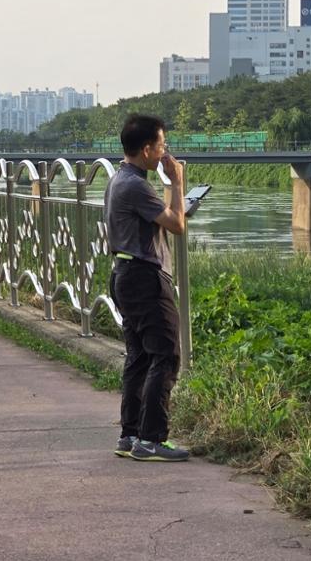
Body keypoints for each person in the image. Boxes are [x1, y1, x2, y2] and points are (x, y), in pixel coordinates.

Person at [104, 113, 190, 462]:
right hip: (144, 278)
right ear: (146, 149)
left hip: (124, 274)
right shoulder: (137, 186)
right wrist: (177, 183)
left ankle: (130, 435)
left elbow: (161, 218)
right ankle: (152, 439)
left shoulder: (118, 179)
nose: (164, 152)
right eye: (161, 145)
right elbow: (177, 225)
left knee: (139, 357)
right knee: (166, 355)